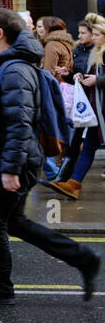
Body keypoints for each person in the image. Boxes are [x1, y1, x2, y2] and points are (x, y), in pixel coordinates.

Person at [0, 8, 99, 304]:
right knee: (13, 223)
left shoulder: (14, 71)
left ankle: (0, 289)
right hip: (12, 159)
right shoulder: (6, 66)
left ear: (0, 34)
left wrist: (9, 168)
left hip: (13, 162)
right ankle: (84, 259)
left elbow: (19, 122)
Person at [48, 17, 105, 200]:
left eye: (97, 35)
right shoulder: (95, 53)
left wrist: (99, 80)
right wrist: (74, 75)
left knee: (88, 147)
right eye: (93, 34)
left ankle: (73, 183)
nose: (93, 38)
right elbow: (91, 78)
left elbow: (98, 79)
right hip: (97, 111)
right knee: (88, 147)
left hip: (101, 110)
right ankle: (73, 184)